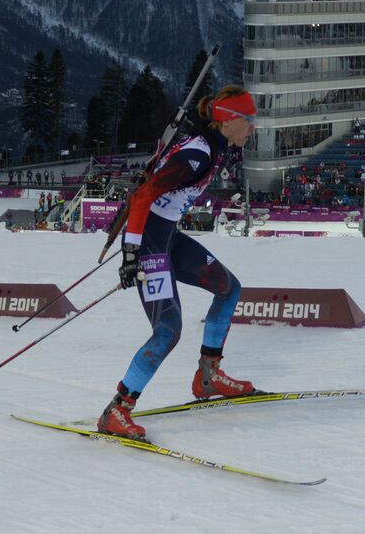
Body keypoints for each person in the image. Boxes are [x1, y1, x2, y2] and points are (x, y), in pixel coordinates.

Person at [97, 86, 258, 441]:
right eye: (248, 120)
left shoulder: (211, 148)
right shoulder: (198, 155)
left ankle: (208, 376)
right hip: (148, 242)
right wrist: (130, 254)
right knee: (168, 330)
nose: (252, 128)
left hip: (166, 237)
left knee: (228, 289)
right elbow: (142, 197)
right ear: (228, 121)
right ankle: (117, 410)